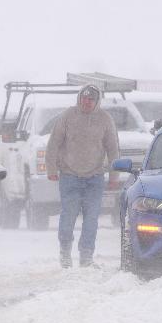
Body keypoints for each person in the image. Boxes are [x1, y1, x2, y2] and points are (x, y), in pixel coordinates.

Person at [45, 84, 119, 268]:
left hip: (95, 178)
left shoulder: (105, 119)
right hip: (70, 176)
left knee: (91, 219)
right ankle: (65, 253)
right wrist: (51, 170)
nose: (86, 102)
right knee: (68, 216)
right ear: (79, 98)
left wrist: (114, 176)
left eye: (91, 99)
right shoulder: (68, 116)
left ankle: (86, 257)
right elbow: (53, 144)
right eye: (84, 98)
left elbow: (113, 149)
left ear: (97, 102)